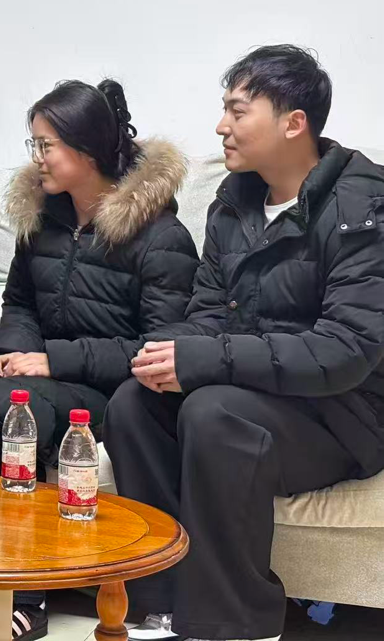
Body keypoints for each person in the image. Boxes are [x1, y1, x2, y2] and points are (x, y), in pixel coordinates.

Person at [110, 45, 384, 641]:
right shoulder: (233, 205)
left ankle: (237, 622)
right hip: (258, 392)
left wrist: (206, 360)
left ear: (294, 123)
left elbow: (347, 350)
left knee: (214, 413)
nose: (221, 126)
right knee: (133, 402)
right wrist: (162, 354)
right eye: (224, 109)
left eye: (238, 111)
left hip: (345, 412)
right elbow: (208, 316)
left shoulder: (363, 206)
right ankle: (157, 604)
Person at [0, 78, 199, 641]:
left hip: (116, 392)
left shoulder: (161, 236)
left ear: (87, 151)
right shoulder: (43, 221)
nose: (37, 157)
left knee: (12, 411)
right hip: (42, 379)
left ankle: (25, 597)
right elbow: (19, 302)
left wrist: (52, 359)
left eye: (46, 145)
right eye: (35, 144)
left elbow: (159, 348)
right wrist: (13, 350)